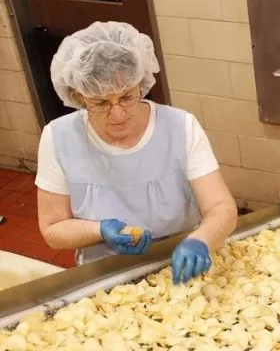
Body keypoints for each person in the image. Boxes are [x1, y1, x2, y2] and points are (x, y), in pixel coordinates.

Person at [35, 21, 238, 285]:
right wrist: (100, 231)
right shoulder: (59, 137)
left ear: (140, 84)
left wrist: (201, 240)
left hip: (181, 261)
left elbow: (221, 207)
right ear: (78, 95)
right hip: (106, 272)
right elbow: (53, 229)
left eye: (127, 97)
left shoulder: (180, 126)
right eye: (100, 103)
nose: (117, 114)